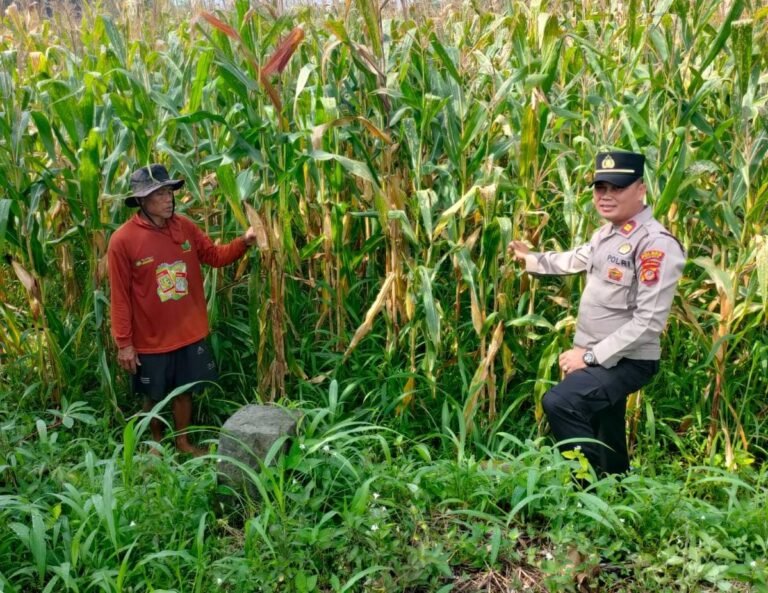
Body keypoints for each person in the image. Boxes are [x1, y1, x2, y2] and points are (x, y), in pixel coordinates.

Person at [508, 151, 685, 476]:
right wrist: (531, 259)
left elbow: (648, 324)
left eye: (616, 187)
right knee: (607, 426)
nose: (606, 196)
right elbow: (576, 258)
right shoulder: (608, 234)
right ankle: (617, 487)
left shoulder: (655, 245)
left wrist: (589, 358)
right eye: (600, 187)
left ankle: (585, 487)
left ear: (641, 189)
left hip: (629, 359)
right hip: (600, 355)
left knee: (561, 403)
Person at [108, 164, 257, 455]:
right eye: (159, 194)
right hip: (150, 338)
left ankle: (183, 442)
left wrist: (243, 242)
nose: (168, 199)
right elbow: (120, 297)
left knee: (184, 391)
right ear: (141, 201)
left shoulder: (184, 226)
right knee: (153, 394)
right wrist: (124, 343)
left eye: (169, 192)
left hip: (188, 331)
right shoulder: (123, 241)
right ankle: (155, 444)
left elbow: (213, 256)